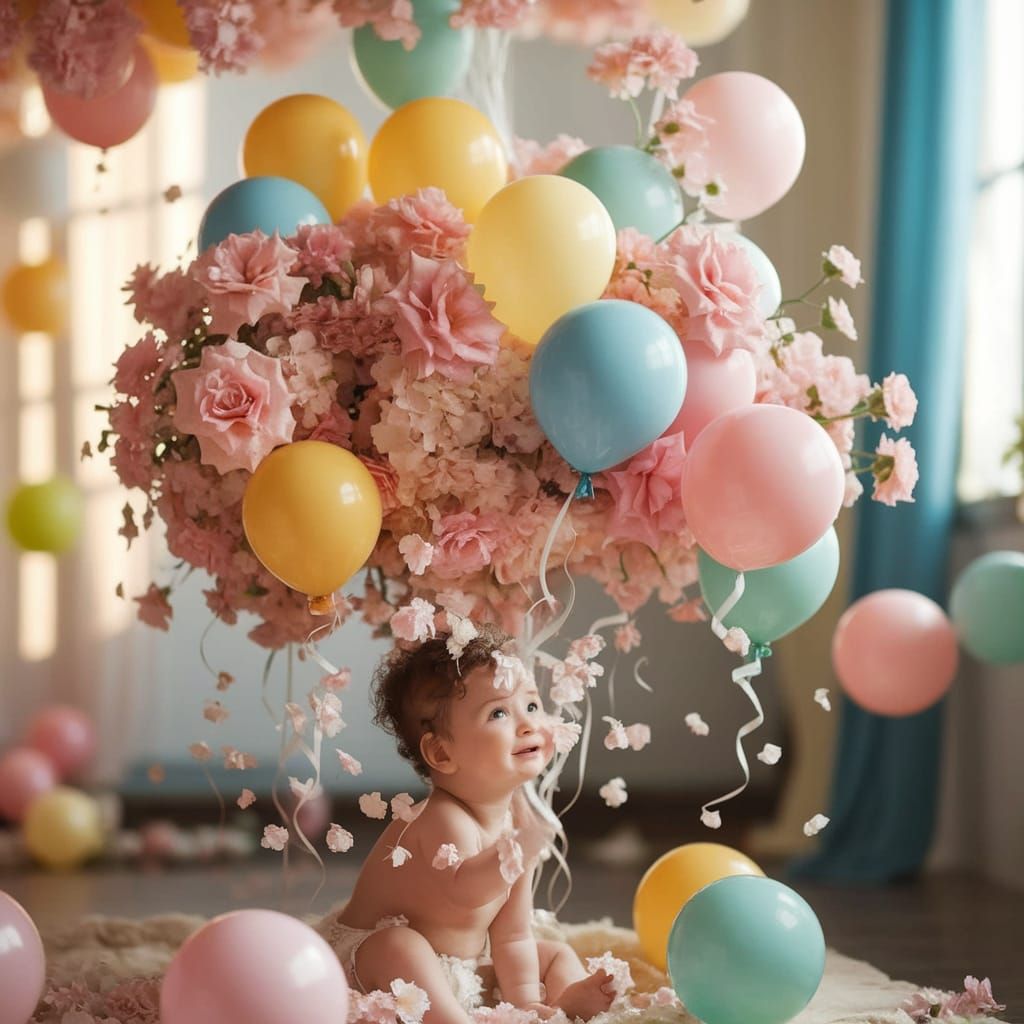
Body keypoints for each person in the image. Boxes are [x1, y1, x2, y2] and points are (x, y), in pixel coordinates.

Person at [316, 626, 614, 1024]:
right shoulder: (441, 816)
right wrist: (521, 848)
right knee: (399, 945)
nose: (527, 725)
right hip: (373, 968)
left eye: (532, 705)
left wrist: (522, 1003)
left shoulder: (516, 820)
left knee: (553, 954)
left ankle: (553, 1012)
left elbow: (512, 934)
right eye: (499, 713)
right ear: (441, 752)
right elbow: (468, 889)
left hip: (456, 972)